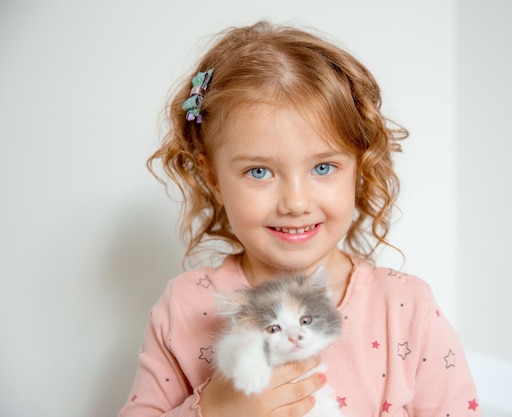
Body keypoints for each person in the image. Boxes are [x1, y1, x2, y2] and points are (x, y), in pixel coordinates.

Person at [119, 20, 481, 417]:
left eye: (323, 168)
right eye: (259, 172)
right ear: (214, 180)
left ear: (358, 170)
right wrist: (214, 409)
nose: (295, 202)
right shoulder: (184, 306)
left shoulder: (404, 307)